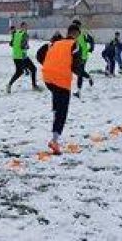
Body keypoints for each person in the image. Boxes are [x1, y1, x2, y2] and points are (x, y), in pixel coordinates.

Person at [36, 26, 83, 155]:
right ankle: (54, 140)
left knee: (58, 101)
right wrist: (83, 74)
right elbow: (76, 67)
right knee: (63, 110)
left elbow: (39, 55)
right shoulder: (74, 45)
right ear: (76, 34)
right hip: (61, 79)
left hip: (48, 77)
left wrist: (49, 65)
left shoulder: (55, 43)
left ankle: (55, 110)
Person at [6, 22, 41, 93]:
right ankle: (34, 86)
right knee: (33, 69)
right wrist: (27, 46)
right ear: (23, 27)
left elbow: (11, 44)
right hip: (22, 56)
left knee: (19, 72)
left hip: (15, 56)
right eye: (25, 27)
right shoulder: (25, 35)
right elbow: (23, 46)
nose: (26, 28)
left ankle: (9, 85)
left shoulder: (15, 34)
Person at [71, 20, 95, 98]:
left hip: (82, 56)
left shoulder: (82, 34)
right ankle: (89, 77)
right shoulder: (76, 34)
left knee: (79, 73)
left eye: (75, 25)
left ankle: (78, 92)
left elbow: (91, 40)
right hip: (79, 56)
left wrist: (91, 49)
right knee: (79, 71)